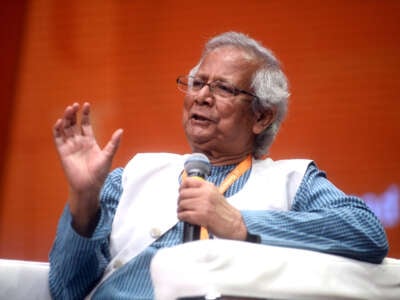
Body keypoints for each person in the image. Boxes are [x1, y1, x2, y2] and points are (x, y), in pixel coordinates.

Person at [49, 31, 388, 299]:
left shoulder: (293, 180)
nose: (201, 97)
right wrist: (83, 200)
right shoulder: (135, 174)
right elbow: (66, 290)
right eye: (197, 83)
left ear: (261, 116)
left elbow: (367, 233)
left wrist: (238, 224)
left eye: (223, 88)